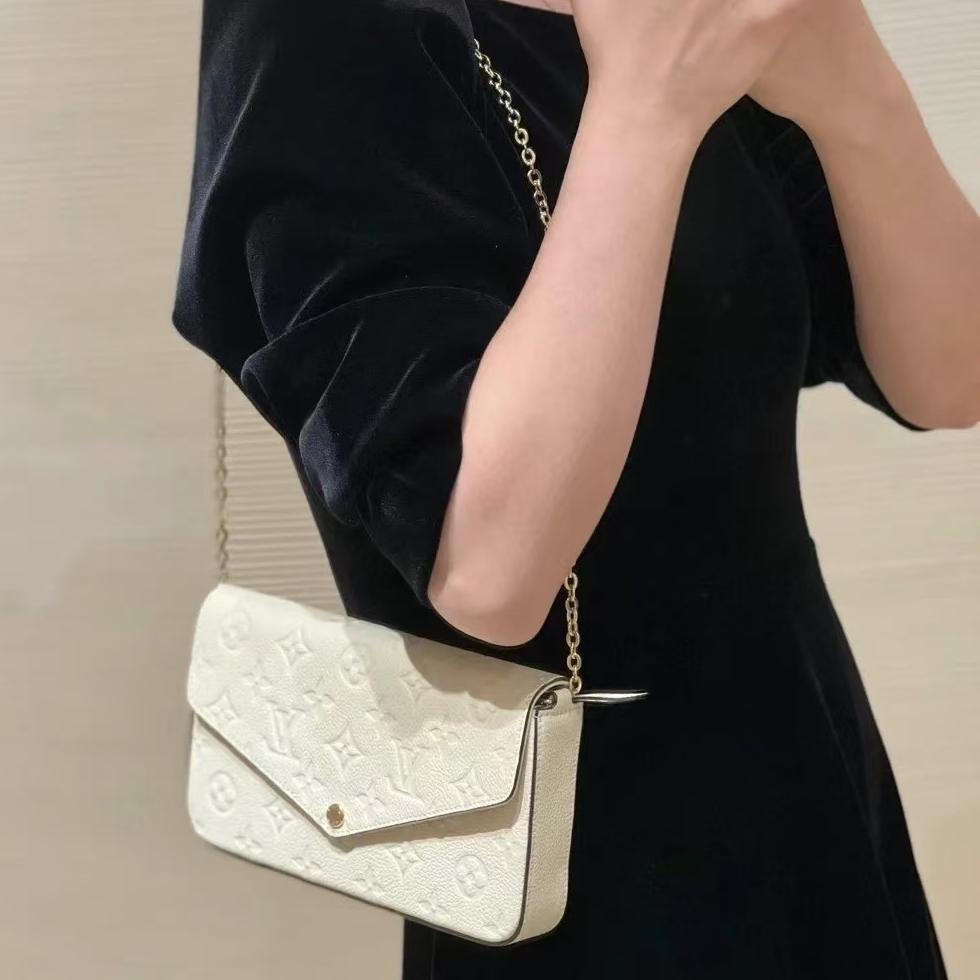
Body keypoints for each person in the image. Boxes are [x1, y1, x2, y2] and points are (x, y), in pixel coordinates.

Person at [172, 0, 979, 976]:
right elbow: (487, 568)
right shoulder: (320, 30)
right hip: (575, 883)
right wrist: (646, 107)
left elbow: (949, 376)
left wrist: (857, 90)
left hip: (812, 801)